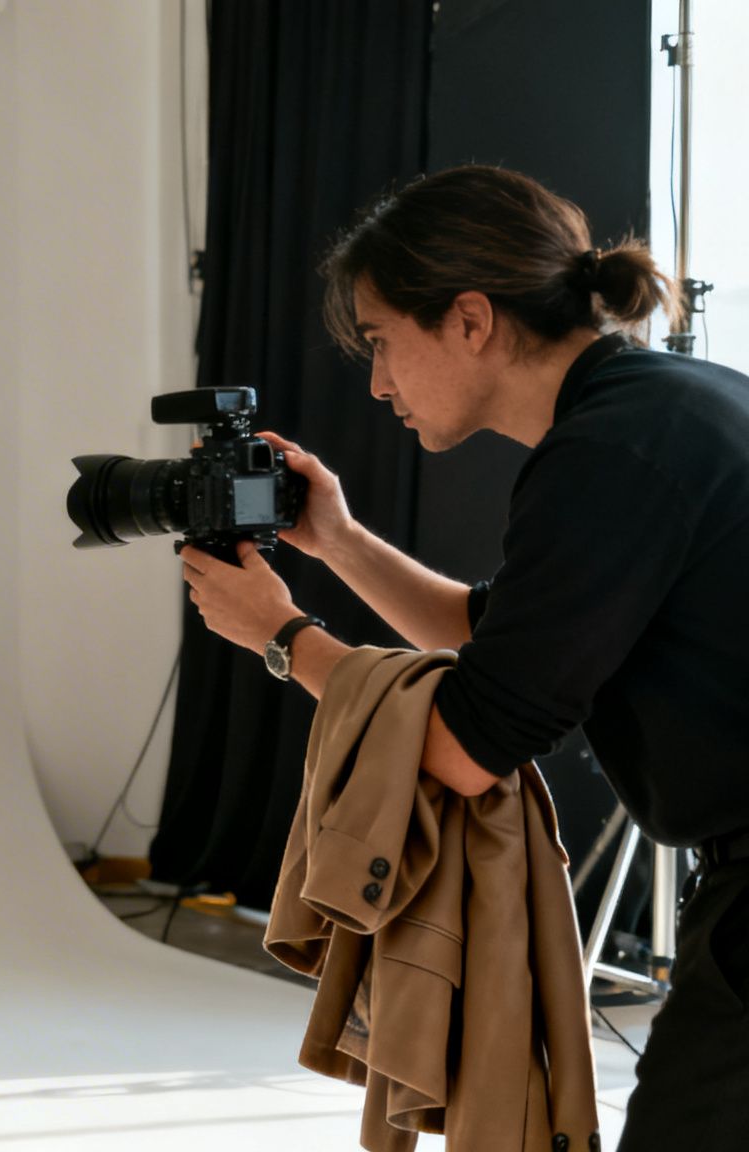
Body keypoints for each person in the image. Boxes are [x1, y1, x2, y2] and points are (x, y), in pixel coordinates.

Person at [179, 164, 749, 1150]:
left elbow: (461, 745)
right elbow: (500, 637)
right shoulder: (659, 406)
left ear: (470, 321)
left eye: (381, 343)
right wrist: (339, 543)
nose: (376, 382)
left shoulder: (604, 456)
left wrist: (277, 636)